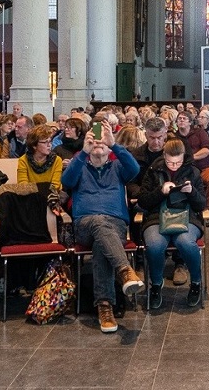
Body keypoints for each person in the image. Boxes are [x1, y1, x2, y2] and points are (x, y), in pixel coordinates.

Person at [60, 123, 144, 333]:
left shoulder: (117, 168)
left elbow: (134, 169)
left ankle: (104, 307)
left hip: (115, 225)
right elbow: (67, 180)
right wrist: (83, 153)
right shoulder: (80, 166)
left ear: (109, 148)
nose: (98, 144)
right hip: (84, 225)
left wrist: (115, 145)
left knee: (101, 247)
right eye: (93, 141)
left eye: (102, 142)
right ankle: (125, 271)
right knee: (98, 222)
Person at [138, 139, 206, 309]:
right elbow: (143, 201)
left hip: (187, 216)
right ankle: (156, 283)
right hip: (156, 216)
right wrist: (160, 191)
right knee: (154, 245)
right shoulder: (154, 171)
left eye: (178, 162)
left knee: (185, 242)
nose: (174, 165)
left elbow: (201, 205)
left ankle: (196, 282)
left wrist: (192, 192)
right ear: (164, 156)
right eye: (170, 162)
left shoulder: (193, 172)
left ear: (184, 157)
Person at [173, 112, 209, 223]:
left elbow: (207, 150)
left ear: (190, 122)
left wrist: (191, 158)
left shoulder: (199, 133)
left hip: (203, 167)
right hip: (184, 171)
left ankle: (207, 212)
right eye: (179, 119)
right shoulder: (174, 137)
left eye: (184, 118)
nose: (181, 120)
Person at [17, 124, 63, 209]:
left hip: (51, 199)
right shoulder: (23, 160)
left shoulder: (57, 160)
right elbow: (23, 185)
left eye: (50, 141)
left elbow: (55, 186)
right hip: (30, 200)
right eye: (45, 142)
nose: (49, 145)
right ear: (34, 145)